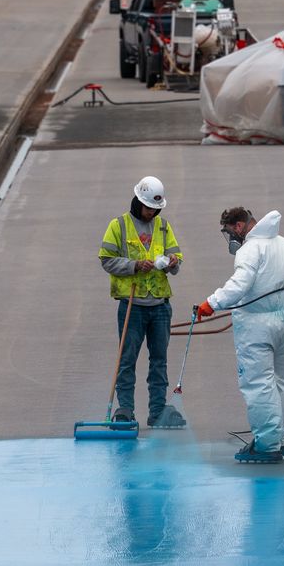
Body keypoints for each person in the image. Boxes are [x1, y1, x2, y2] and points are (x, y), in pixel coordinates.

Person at [192, 208, 284, 464]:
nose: (230, 238)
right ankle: (281, 440)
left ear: (239, 226)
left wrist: (211, 303)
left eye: (229, 232)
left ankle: (266, 445)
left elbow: (240, 284)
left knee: (259, 384)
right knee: (281, 382)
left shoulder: (251, 249)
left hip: (256, 326)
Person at [98, 176, 184, 427]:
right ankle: (125, 410)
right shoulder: (119, 226)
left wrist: (173, 262)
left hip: (159, 305)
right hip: (131, 304)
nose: (152, 213)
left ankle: (157, 412)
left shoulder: (163, 226)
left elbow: (176, 255)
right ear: (138, 202)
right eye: (148, 208)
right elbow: (106, 259)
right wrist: (134, 265)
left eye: (156, 209)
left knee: (159, 362)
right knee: (127, 360)